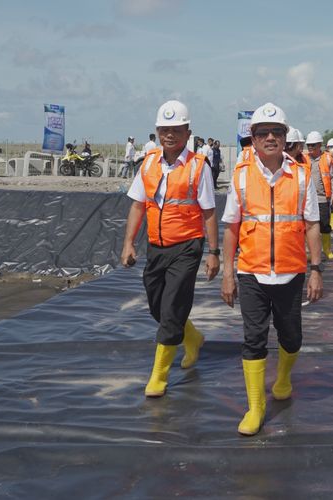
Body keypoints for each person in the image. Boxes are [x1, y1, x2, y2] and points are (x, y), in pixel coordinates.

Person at [220, 102, 323, 436]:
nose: (269, 138)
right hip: (251, 271)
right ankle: (256, 407)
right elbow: (232, 228)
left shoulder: (301, 177)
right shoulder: (241, 177)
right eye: (262, 132)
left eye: (276, 132)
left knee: (291, 337)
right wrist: (227, 273)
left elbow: (310, 225)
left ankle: (283, 378)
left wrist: (316, 269)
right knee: (254, 339)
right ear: (252, 137)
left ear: (284, 135)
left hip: (291, 272)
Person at [121, 100, 220, 398]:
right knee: (157, 306)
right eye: (164, 130)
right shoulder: (149, 163)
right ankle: (192, 338)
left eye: (176, 130)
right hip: (157, 247)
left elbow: (209, 212)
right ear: (157, 132)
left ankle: (159, 377)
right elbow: (139, 205)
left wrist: (213, 252)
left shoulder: (197, 167)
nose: (170, 135)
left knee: (173, 305)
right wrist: (128, 243)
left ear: (187, 132)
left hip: (187, 246)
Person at [306, 131, 333, 259]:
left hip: (322, 198)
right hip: (308, 199)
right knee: (308, 226)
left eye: (313, 145)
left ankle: (327, 249)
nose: (310, 148)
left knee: (324, 225)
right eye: (309, 145)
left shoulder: (327, 158)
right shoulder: (304, 159)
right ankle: (309, 252)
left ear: (320, 145)